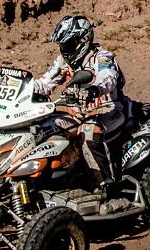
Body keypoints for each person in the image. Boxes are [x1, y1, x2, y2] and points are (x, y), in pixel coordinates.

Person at [34, 14, 131, 197]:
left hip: (107, 109)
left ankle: (107, 187)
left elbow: (108, 77)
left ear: (82, 40)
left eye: (68, 44)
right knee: (43, 128)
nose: (64, 49)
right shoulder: (63, 60)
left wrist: (95, 89)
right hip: (77, 110)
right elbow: (46, 83)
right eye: (62, 45)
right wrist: (27, 88)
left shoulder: (101, 57)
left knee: (87, 132)